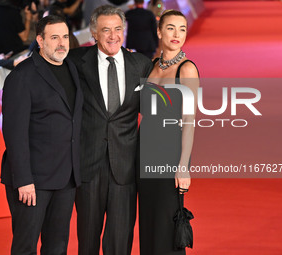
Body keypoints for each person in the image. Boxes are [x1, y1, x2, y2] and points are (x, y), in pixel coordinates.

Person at [68, 5, 152, 255]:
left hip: (125, 169)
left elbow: (154, 114)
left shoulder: (141, 65)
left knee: (120, 241)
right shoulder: (75, 63)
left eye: (118, 29)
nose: (113, 36)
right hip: (88, 166)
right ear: (93, 33)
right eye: (106, 30)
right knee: (88, 240)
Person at [1, 15, 83, 254]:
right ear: (40, 40)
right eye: (54, 37)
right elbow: (14, 134)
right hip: (32, 182)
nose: (61, 43)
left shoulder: (71, 69)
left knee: (57, 246)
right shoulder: (22, 76)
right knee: (26, 246)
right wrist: (24, 180)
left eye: (65, 37)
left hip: (66, 177)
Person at [138, 10, 199, 255]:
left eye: (182, 28)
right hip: (144, 153)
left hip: (170, 156)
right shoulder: (151, 65)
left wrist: (183, 165)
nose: (177, 34)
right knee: (149, 221)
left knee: (166, 222)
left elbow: (189, 120)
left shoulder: (187, 70)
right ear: (159, 31)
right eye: (171, 28)